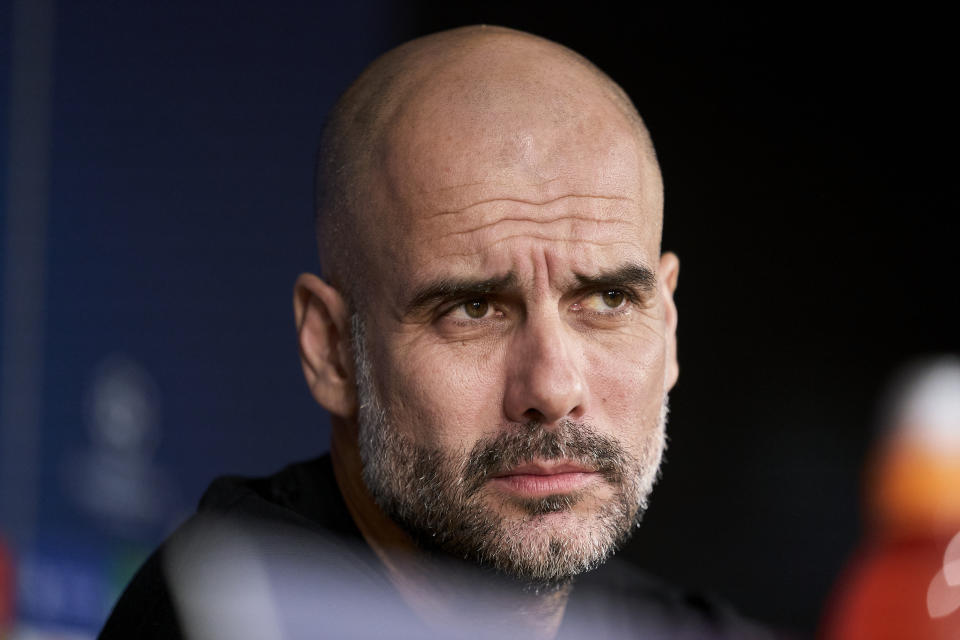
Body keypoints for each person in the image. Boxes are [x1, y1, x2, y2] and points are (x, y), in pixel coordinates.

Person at [101, 25, 774, 639]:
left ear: (670, 322)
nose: (553, 386)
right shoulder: (233, 617)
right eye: (474, 309)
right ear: (333, 349)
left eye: (607, 298)